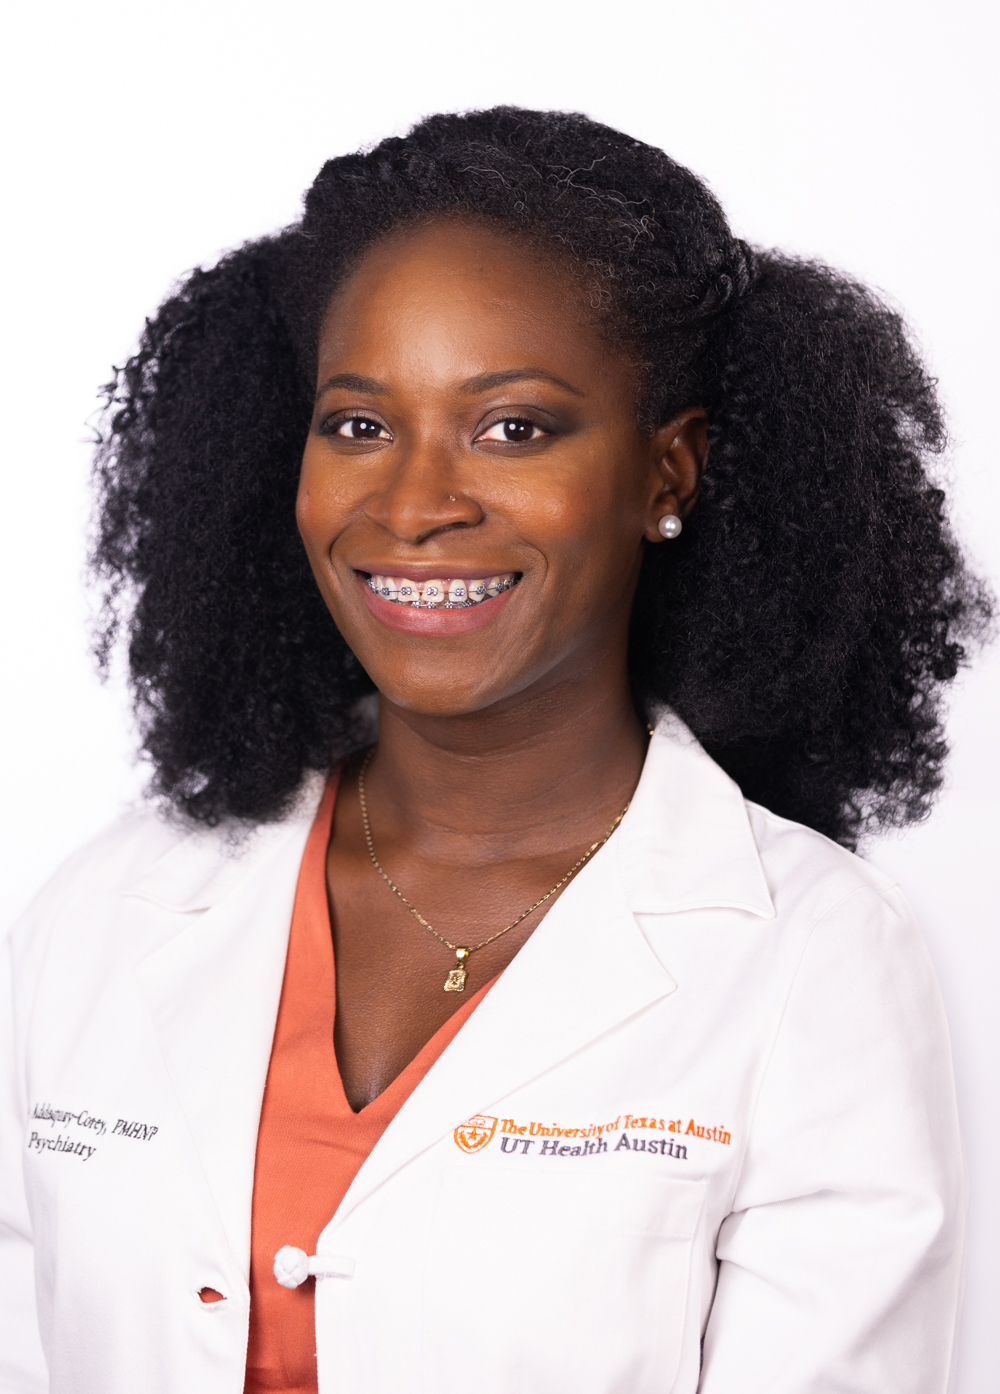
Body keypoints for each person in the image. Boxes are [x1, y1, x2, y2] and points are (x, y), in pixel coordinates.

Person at [0, 107, 990, 1394]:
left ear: (665, 472)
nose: (413, 505)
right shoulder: (109, 908)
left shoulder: (813, 960)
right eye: (358, 423)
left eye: (513, 427)